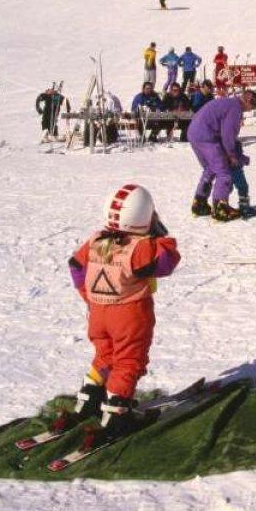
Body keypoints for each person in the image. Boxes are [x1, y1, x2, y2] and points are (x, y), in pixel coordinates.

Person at [65, 184, 180, 436]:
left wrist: (91, 296)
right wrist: (161, 236)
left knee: (106, 355)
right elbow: (166, 263)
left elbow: (75, 265)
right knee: (128, 360)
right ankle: (116, 414)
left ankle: (90, 397)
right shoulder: (139, 247)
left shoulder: (96, 240)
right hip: (129, 315)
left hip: (98, 314)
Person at [187, 87, 256, 221]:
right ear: (247, 100)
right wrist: (232, 154)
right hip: (207, 136)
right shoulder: (235, 109)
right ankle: (220, 208)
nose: (250, 110)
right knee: (224, 172)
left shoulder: (228, 103)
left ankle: (199, 202)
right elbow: (228, 134)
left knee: (211, 168)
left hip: (194, 132)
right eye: (253, 106)